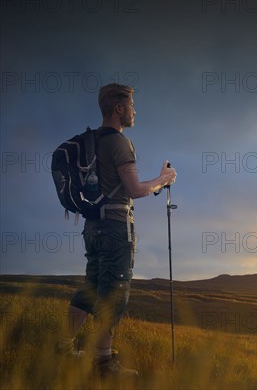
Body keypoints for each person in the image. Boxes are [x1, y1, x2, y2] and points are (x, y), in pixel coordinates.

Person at [55, 83, 177, 379]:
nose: (135, 111)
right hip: (116, 228)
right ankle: (104, 364)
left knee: (91, 287)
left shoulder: (91, 141)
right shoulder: (120, 143)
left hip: (92, 226)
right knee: (113, 294)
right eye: (132, 105)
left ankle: (63, 346)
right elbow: (134, 190)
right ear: (119, 108)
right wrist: (163, 179)